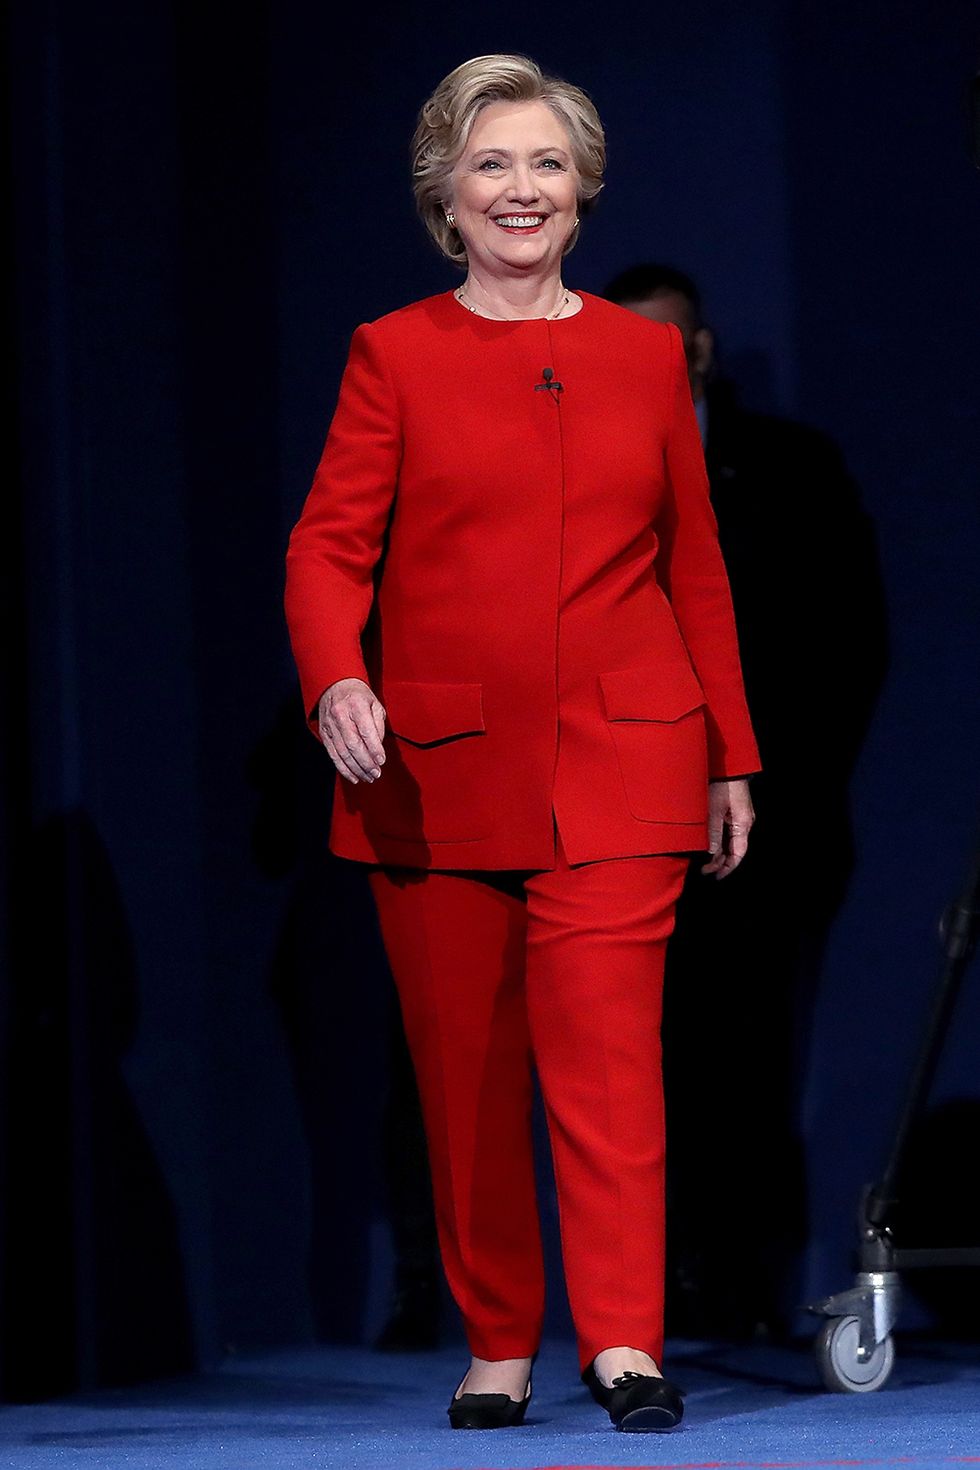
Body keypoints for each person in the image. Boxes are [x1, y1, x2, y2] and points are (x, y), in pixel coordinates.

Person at [284, 55, 760, 1434]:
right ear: (445, 191)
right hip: (435, 769)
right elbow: (326, 546)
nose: (521, 189)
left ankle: (620, 1340)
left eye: (546, 162)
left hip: (627, 756)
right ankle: (499, 1340)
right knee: (468, 1075)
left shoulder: (644, 353)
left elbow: (698, 566)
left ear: (584, 186)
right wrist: (334, 681)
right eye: (492, 164)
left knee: (609, 1062)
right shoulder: (395, 352)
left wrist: (733, 750)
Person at [605, 264, 888, 1339]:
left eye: (668, 345)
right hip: (629, 822)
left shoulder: (788, 468)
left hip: (774, 823)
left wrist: (774, 786)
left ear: (703, 349)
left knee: (759, 1053)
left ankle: (751, 1283)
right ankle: (660, 1287)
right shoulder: (583, 468)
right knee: (647, 1058)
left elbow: (848, 643)